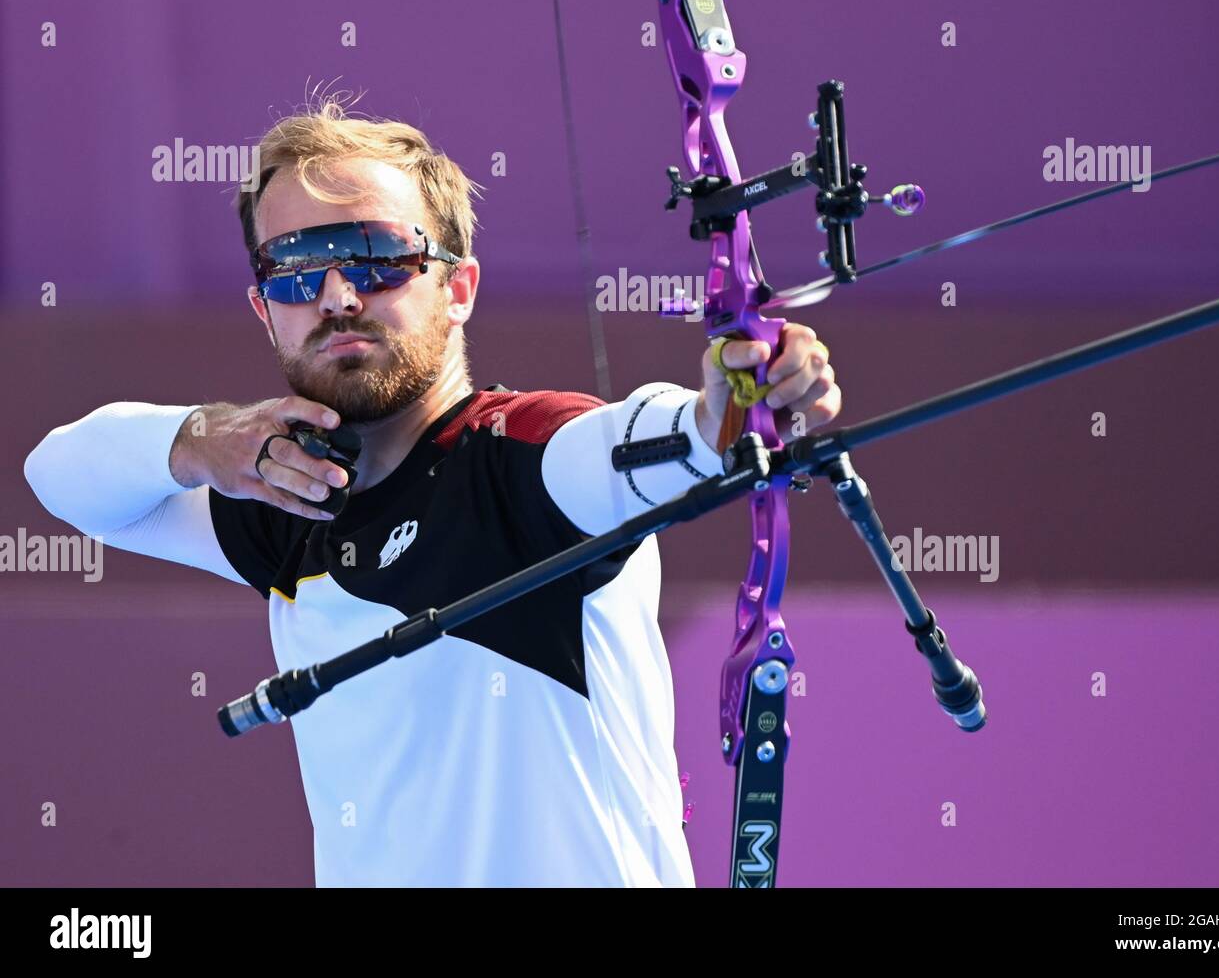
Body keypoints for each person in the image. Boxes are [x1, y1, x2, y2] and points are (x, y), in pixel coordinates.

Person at [23, 99, 840, 888]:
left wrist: (735, 400)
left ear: (457, 287)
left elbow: (659, 442)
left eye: (377, 256)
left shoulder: (523, 461)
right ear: (264, 310)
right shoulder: (289, 500)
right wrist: (204, 440)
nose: (339, 295)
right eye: (297, 267)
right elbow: (59, 476)